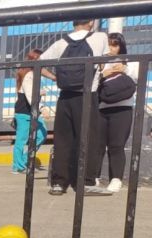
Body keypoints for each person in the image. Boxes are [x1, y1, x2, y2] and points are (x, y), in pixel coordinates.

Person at [41, 19, 110, 196]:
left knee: (63, 140)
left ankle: (58, 183)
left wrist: (55, 78)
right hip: (87, 94)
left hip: (65, 96)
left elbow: (39, 64)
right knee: (88, 138)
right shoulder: (100, 37)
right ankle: (85, 182)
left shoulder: (61, 42)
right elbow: (105, 62)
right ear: (91, 21)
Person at [84, 32, 139, 193]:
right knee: (98, 145)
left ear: (121, 46)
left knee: (116, 145)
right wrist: (102, 74)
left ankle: (116, 179)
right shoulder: (100, 62)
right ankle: (93, 177)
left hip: (123, 109)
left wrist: (125, 69)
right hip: (101, 108)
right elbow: (89, 84)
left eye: (115, 44)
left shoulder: (130, 61)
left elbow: (138, 78)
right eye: (109, 44)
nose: (111, 48)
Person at [12, 49, 48, 174]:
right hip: (25, 112)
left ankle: (24, 161)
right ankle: (18, 166)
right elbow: (30, 95)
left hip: (32, 111)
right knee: (21, 140)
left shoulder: (32, 73)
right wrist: (42, 108)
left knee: (41, 135)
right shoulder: (29, 75)